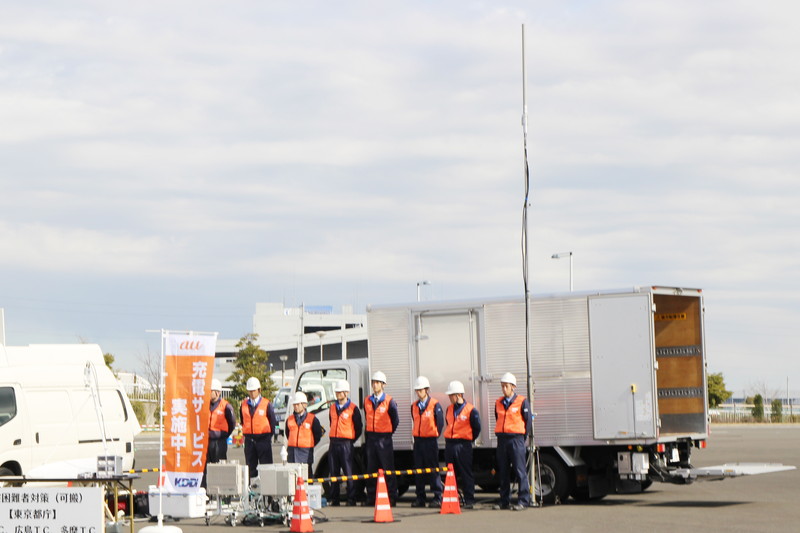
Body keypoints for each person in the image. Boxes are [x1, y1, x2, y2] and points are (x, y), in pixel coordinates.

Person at [493, 372, 531, 511]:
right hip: (502, 439)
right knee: (503, 471)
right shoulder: (498, 402)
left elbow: (528, 421)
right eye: (502, 386)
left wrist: (522, 437)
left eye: (506, 386)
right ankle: (504, 501)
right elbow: (498, 418)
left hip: (516, 439)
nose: (504, 389)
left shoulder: (522, 401)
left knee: (520, 471)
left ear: (513, 387)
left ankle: (523, 500)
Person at [363, 370, 399, 506]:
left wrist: (388, 432)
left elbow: (395, 420)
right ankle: (371, 497)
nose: (375, 385)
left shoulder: (389, 401)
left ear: (383, 385)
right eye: (374, 382)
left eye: (378, 383)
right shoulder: (367, 400)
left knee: (388, 468)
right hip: (371, 438)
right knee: (371, 469)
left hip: (384, 438)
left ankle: (392, 496)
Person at [443, 380, 481, 509]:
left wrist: (468, 439)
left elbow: (477, 428)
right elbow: (448, 424)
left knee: (465, 473)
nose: (449, 397)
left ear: (458, 395)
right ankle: (452, 499)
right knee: (450, 474)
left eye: (451, 395)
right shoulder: (449, 409)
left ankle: (469, 499)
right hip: (450, 444)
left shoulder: (470, 410)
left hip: (463, 445)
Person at [410, 376, 444, 508]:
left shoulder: (435, 405)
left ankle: (437, 496)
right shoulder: (414, 406)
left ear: (427, 390)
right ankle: (420, 497)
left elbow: (440, 423)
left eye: (421, 390)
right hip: (418, 441)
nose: (418, 393)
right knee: (419, 470)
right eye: (417, 390)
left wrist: (434, 434)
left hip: (430, 441)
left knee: (433, 469)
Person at [328, 379, 363, 506]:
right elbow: (332, 423)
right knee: (333, 472)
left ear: (346, 393)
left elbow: (359, 427)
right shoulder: (332, 408)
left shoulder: (353, 409)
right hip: (334, 442)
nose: (338, 394)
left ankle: (351, 498)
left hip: (346, 444)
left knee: (348, 472)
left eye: (340, 392)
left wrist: (350, 439)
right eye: (337, 392)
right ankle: (334, 498)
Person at [240, 377, 277, 481]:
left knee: (267, 467)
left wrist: (267, 437)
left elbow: (272, 421)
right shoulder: (243, 405)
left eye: (254, 390)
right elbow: (243, 421)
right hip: (249, 441)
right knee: (250, 468)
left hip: (263, 439)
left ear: (259, 390)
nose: (252, 393)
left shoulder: (266, 404)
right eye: (250, 391)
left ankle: (268, 495)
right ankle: (253, 492)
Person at [202, 378, 236, 489]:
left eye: (210, 391)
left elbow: (232, 423)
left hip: (219, 443)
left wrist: (223, 435)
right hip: (206, 442)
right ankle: (206, 493)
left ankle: (221, 493)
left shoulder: (226, 406)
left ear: (217, 392)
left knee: (219, 468)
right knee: (205, 469)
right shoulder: (203, 405)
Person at [285, 391, 323, 472]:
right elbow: (288, 434)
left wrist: (308, 444)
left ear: (304, 405)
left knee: (307, 479)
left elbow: (317, 436)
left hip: (306, 454)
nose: (295, 406)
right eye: (294, 404)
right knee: (293, 479)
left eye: (298, 404)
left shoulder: (313, 419)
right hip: (292, 454)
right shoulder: (289, 419)